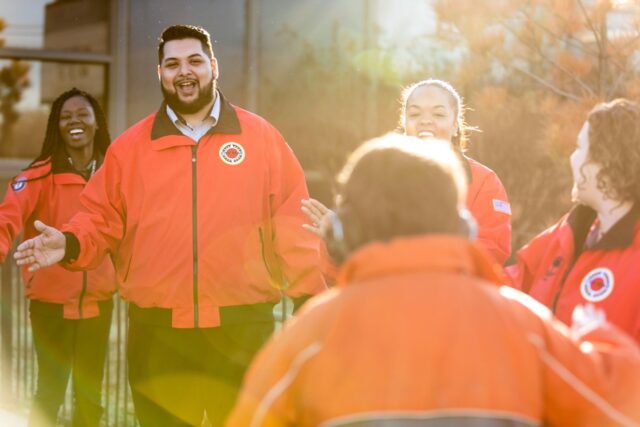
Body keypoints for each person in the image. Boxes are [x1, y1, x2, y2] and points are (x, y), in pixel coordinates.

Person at [14, 25, 326, 427]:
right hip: (157, 336)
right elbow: (99, 217)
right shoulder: (129, 148)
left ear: (213, 66)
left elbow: (292, 222)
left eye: (195, 61)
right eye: (172, 63)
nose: (184, 72)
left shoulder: (261, 138)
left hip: (243, 331)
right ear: (159, 73)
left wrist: (308, 301)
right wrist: (71, 242)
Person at [227, 134, 640, 427]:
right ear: (459, 222)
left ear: (349, 229)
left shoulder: (310, 335)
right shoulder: (523, 326)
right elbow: (619, 406)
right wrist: (597, 334)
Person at [303, 79, 512, 265]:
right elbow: (354, 267)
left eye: (438, 114)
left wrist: (421, 259)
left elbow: (491, 252)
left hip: (453, 299)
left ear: (456, 126)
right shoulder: (378, 178)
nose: (425, 120)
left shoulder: (484, 181)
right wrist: (339, 236)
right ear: (404, 124)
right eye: (414, 113)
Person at [0, 88, 115, 427]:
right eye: (65, 116)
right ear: (56, 126)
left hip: (99, 304)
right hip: (50, 307)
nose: (74, 122)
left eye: (83, 114)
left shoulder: (114, 173)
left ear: (97, 123)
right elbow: (7, 218)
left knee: (90, 399)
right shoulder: (38, 176)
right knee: (49, 393)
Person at [507, 98, 640, 343]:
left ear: (604, 162)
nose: (572, 158)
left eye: (579, 148)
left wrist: (604, 346)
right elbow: (508, 285)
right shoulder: (569, 230)